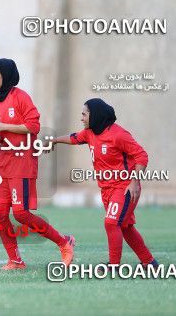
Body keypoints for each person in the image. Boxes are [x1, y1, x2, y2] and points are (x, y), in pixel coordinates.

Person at [0, 58, 75, 270]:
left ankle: (63, 243)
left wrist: (2, 125)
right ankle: (16, 260)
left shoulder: (21, 97)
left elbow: (33, 127)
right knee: (0, 214)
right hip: (2, 164)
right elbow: (2, 135)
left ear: (6, 75)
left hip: (22, 163)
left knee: (21, 214)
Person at [47, 98, 158, 269]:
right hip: (107, 190)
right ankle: (149, 262)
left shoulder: (119, 135)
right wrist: (54, 140)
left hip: (125, 187)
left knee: (111, 223)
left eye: (84, 114)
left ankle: (113, 265)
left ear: (95, 115)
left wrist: (135, 182)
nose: (81, 118)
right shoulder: (90, 133)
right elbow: (74, 138)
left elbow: (141, 156)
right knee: (126, 228)